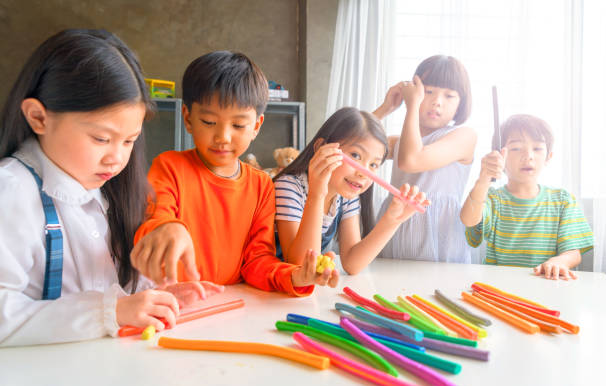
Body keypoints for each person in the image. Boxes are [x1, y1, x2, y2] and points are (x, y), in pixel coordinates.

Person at [0, 29, 208, 347]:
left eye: (129, 141)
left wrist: (149, 298)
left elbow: (107, 289)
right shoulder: (11, 190)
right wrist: (108, 312)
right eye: (101, 139)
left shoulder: (105, 188)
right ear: (38, 117)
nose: (117, 158)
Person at [131, 51, 338, 295]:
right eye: (209, 122)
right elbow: (154, 221)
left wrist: (293, 276)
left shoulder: (261, 185)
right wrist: (165, 227)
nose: (223, 137)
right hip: (172, 301)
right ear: (188, 118)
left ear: (256, 126)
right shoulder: (169, 167)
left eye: (238, 125)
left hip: (233, 304)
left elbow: (257, 260)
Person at [274, 107, 429, 275]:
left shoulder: (344, 195)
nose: (363, 173)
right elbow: (300, 266)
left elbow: (352, 264)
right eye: (355, 156)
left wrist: (392, 221)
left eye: (373, 165)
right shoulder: (289, 187)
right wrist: (318, 193)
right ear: (321, 147)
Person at [460, 114, 594, 280]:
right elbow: (468, 220)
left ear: (548, 157)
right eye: (516, 148)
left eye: (537, 149)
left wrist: (559, 261)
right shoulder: (493, 199)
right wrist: (483, 179)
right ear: (500, 156)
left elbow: (574, 252)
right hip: (498, 289)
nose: (528, 155)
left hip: (546, 284)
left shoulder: (563, 200)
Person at [373, 55, 477, 263]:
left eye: (449, 96)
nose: (437, 102)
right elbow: (349, 144)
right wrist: (386, 108)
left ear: (461, 104)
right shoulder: (401, 141)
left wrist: (412, 107)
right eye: (428, 92)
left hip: (439, 235)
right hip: (395, 230)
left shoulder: (464, 136)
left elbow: (411, 160)